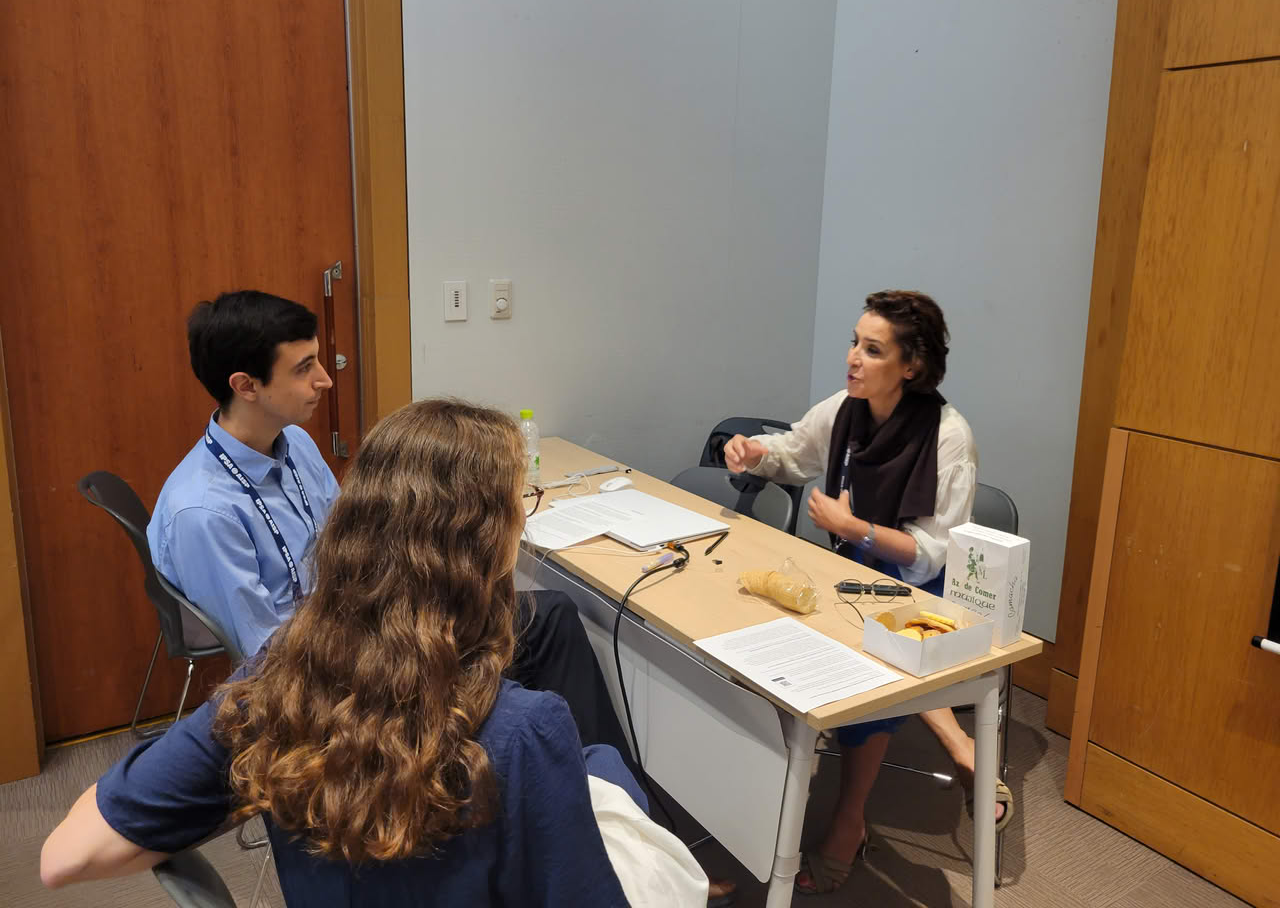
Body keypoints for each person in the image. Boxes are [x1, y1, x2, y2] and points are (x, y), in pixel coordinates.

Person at [41, 399, 684, 904]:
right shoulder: (521, 733)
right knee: (603, 767)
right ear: (491, 546)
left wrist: (260, 771)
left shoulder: (278, 689)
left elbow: (64, 857)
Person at [147, 290, 632, 761]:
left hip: (364, 623)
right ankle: (545, 773)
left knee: (546, 614)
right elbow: (266, 662)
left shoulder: (292, 442)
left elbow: (356, 542)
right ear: (245, 386)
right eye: (303, 369)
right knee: (503, 657)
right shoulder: (203, 513)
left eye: (318, 360)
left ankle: (599, 784)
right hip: (332, 672)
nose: (325, 380)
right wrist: (403, 646)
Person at [723, 289, 1012, 896]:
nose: (853, 358)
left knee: (862, 667)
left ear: (911, 366)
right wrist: (754, 452)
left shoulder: (949, 436)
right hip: (855, 570)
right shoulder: (847, 406)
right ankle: (959, 740)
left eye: (872, 349)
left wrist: (855, 529)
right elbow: (793, 452)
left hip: (924, 589)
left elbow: (935, 551)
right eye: (854, 342)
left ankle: (848, 822)